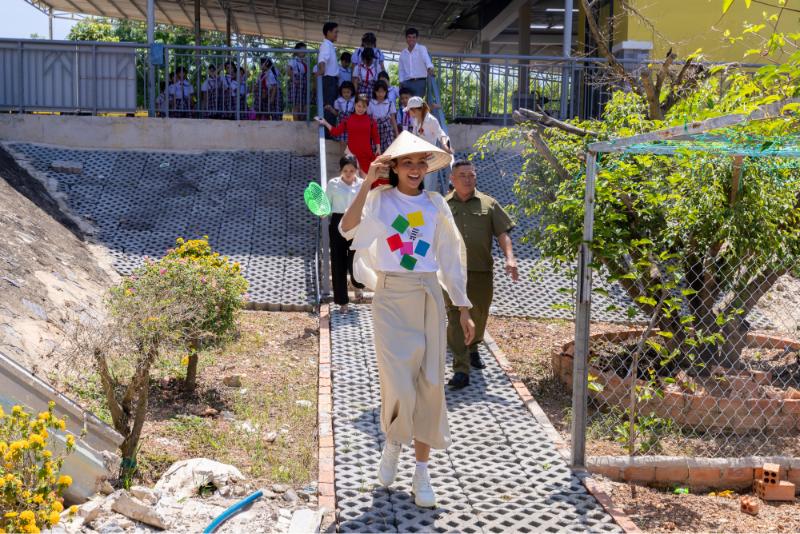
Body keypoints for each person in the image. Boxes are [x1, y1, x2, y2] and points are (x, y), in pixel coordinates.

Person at [338, 131, 475, 508]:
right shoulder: (380, 199)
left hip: (428, 293)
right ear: (394, 167)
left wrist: (462, 307)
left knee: (430, 383)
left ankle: (421, 470)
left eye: (420, 163)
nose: (415, 169)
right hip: (390, 295)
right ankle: (394, 442)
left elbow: (450, 256)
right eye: (407, 163)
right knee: (399, 382)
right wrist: (368, 180)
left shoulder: (434, 205)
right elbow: (347, 229)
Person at [443, 160, 518, 389]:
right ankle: (460, 368)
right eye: (462, 175)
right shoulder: (442, 205)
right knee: (456, 317)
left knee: (480, 314)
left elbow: (502, 233)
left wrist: (510, 258)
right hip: (451, 272)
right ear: (452, 180)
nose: (467, 179)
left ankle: (473, 345)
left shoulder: (489, 204)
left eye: (471, 175)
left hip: (481, 270)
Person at [326, 156, 365, 311]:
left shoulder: (362, 184)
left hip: (357, 222)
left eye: (352, 170)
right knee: (338, 262)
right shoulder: (333, 184)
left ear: (356, 170)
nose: (349, 173)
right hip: (337, 222)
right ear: (340, 170)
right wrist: (323, 212)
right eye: (345, 170)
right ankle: (343, 302)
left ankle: (357, 284)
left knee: (356, 259)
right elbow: (326, 205)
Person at [317, 94, 380, 180]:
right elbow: (336, 131)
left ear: (367, 108)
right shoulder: (348, 119)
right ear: (355, 105)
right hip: (351, 155)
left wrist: (378, 148)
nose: (361, 109)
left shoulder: (371, 121)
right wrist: (325, 122)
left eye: (364, 107)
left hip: (366, 155)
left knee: (367, 183)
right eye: (359, 106)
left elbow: (376, 136)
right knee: (351, 182)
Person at [404, 96, 452, 191]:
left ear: (414, 110)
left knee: (429, 187)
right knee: (418, 185)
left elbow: (441, 134)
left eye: (409, 110)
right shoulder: (415, 120)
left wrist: (445, 146)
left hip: (430, 158)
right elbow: (414, 137)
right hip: (418, 157)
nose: (408, 113)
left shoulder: (431, 120)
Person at [317, 22, 340, 136]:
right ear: (328, 32)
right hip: (329, 80)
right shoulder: (326, 45)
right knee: (329, 108)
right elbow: (322, 60)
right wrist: (321, 71)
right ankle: (327, 135)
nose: (337, 34)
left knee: (332, 108)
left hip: (332, 81)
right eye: (335, 32)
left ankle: (330, 134)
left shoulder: (329, 45)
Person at [398, 28, 434, 99]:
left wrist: (430, 67)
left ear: (417, 38)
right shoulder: (403, 53)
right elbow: (401, 69)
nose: (411, 39)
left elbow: (426, 59)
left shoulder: (422, 49)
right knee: (405, 105)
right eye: (409, 37)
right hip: (406, 83)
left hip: (419, 82)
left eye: (414, 37)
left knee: (416, 105)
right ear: (406, 38)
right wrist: (401, 82)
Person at [369, 80, 399, 153]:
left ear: (386, 92)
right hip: (375, 130)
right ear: (375, 92)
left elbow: (393, 119)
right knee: (376, 152)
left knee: (389, 151)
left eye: (382, 91)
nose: (380, 94)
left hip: (387, 130)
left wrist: (397, 133)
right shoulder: (370, 103)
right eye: (378, 91)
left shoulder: (390, 103)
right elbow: (368, 119)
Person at [326, 81, 355, 146]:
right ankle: (342, 156)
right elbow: (337, 114)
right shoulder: (338, 101)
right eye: (344, 92)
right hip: (341, 125)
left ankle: (350, 156)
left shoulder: (355, 101)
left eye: (348, 92)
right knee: (342, 142)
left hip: (351, 125)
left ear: (352, 91)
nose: (346, 94)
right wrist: (331, 109)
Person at [287, 42, 309, 121]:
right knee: (296, 105)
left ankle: (303, 122)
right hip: (297, 85)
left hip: (304, 84)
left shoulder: (305, 61)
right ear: (297, 51)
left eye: (305, 50)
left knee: (304, 105)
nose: (304, 51)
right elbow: (288, 71)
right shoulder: (293, 61)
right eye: (302, 50)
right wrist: (294, 80)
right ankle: (296, 124)